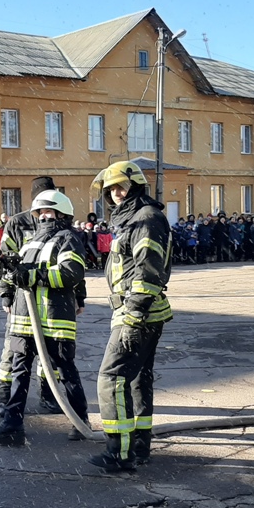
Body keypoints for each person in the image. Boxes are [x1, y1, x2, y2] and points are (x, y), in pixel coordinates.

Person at [0, 190, 88, 444]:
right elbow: (19, 275)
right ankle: (13, 423)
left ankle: (80, 420)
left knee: (65, 371)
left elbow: (69, 273)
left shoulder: (67, 239)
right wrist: (8, 271)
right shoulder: (29, 242)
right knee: (19, 371)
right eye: (39, 212)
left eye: (48, 211)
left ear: (62, 214)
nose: (42, 216)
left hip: (54, 320)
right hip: (24, 320)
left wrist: (32, 275)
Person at [90, 161, 173, 472]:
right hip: (139, 311)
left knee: (111, 378)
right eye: (111, 190)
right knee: (137, 379)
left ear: (136, 186)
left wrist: (133, 314)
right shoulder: (133, 219)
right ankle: (138, 445)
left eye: (120, 187)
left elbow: (147, 271)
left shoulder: (146, 219)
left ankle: (119, 452)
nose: (116, 194)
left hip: (138, 312)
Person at [0, 176, 64, 417]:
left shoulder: (60, 221)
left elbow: (72, 262)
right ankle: (5, 397)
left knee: (49, 351)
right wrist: (6, 294)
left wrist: (79, 297)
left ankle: (49, 394)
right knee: (14, 350)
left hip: (50, 299)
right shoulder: (18, 223)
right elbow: (3, 260)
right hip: (22, 299)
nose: (46, 209)